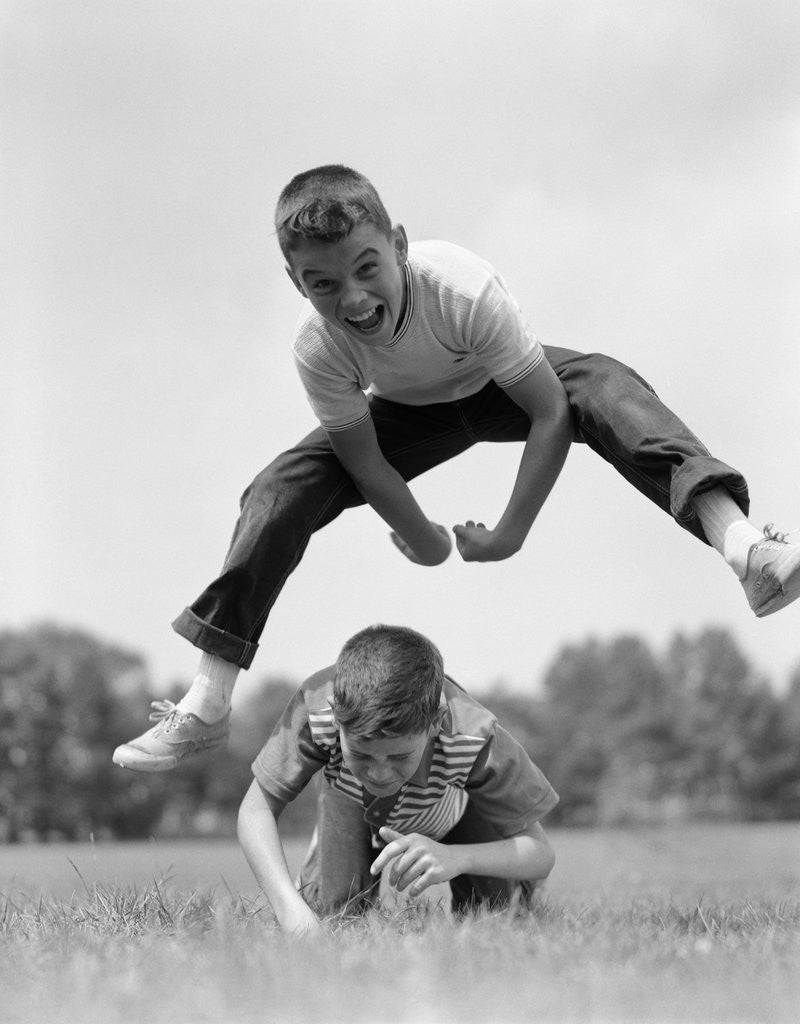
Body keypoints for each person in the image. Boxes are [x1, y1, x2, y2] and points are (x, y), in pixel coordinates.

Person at [113, 164, 800, 772]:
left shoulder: (461, 288)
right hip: (409, 418)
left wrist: (508, 533)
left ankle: (745, 550)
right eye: (322, 284)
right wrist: (423, 537)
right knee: (278, 487)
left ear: (401, 248)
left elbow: (548, 413)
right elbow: (365, 463)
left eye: (367, 269)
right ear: (296, 282)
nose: (352, 299)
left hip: (502, 387)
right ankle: (207, 701)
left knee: (607, 384)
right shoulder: (317, 345)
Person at [237, 624, 558, 934]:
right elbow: (255, 811)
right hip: (351, 802)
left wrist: (458, 857)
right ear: (336, 716)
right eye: (362, 754)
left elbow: (540, 853)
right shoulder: (314, 709)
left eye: (399, 756)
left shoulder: (475, 737)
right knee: (334, 915)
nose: (379, 773)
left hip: (456, 812)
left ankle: (523, 890)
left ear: (436, 723)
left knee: (494, 917)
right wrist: (288, 908)